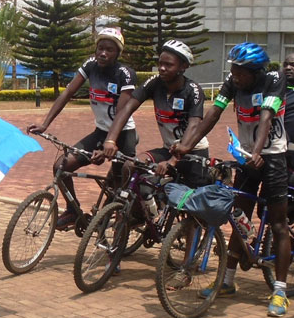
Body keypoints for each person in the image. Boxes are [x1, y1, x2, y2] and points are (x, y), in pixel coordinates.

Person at [172, 42, 293, 317]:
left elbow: (266, 117)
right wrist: (187, 145)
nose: (235, 76)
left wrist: (258, 152)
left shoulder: (274, 80)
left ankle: (280, 291)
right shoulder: (233, 82)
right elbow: (213, 113)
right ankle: (226, 282)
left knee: (277, 223)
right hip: (246, 158)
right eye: (233, 71)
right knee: (239, 218)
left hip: (272, 156)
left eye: (240, 72)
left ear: (256, 71)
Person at [27, 27, 137, 229]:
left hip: (122, 134)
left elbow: (122, 114)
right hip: (100, 132)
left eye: (109, 50)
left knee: (120, 187)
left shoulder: (125, 74)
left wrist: (108, 145)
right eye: (100, 48)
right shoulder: (90, 65)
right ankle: (72, 210)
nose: (103, 53)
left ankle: (115, 234)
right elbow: (68, 92)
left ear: (118, 53)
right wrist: (45, 124)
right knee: (62, 165)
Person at [102, 39, 208, 171]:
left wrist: (173, 160)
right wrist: (110, 140)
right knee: (131, 166)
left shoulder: (193, 90)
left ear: (183, 66)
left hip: (193, 152)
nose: (162, 68)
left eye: (169, 65)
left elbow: (194, 126)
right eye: (160, 63)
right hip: (168, 149)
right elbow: (127, 108)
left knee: (188, 191)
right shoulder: (154, 83)